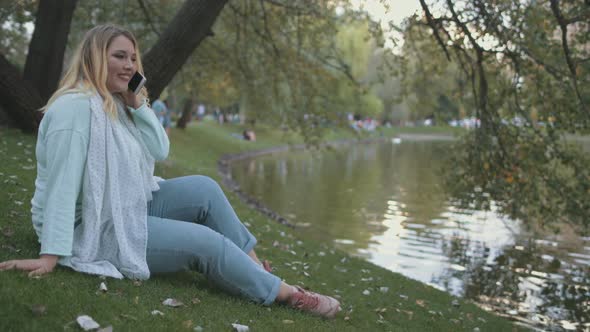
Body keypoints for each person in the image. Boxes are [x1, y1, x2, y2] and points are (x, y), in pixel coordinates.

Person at [0, 24, 340, 319]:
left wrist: (139, 104)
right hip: (87, 226)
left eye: (133, 58)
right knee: (206, 243)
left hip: (118, 203)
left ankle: (253, 268)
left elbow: (160, 150)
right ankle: (286, 294)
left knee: (204, 188)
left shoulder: (117, 103)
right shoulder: (74, 111)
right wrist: (50, 256)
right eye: (119, 56)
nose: (130, 65)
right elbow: (62, 186)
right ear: (94, 58)